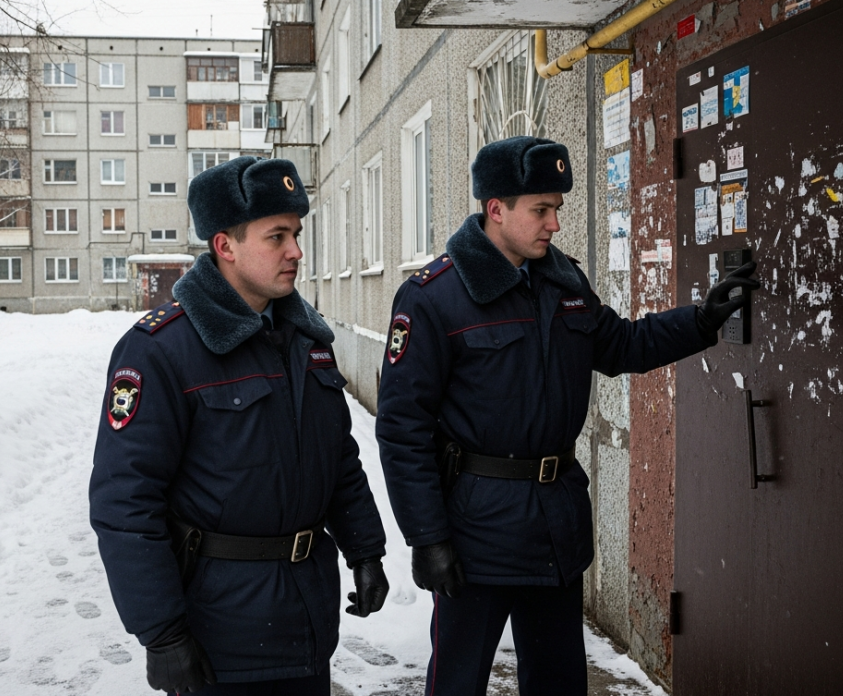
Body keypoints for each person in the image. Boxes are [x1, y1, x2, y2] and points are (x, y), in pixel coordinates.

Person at [375, 136, 758, 695]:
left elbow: (622, 345)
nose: (554, 223)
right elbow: (401, 428)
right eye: (541, 210)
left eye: (557, 208)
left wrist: (701, 321)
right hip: (475, 534)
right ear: (497, 209)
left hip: (556, 528)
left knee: (558, 682)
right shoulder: (433, 298)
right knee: (458, 681)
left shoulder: (562, 281)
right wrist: (426, 537)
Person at [91, 156, 390, 695]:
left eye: (296, 234)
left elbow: (337, 457)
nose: (296, 251)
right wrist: (161, 634)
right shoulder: (161, 349)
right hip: (217, 633)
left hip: (305, 618)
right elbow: (125, 501)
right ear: (225, 246)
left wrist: (365, 550)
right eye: (277, 237)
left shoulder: (305, 339)